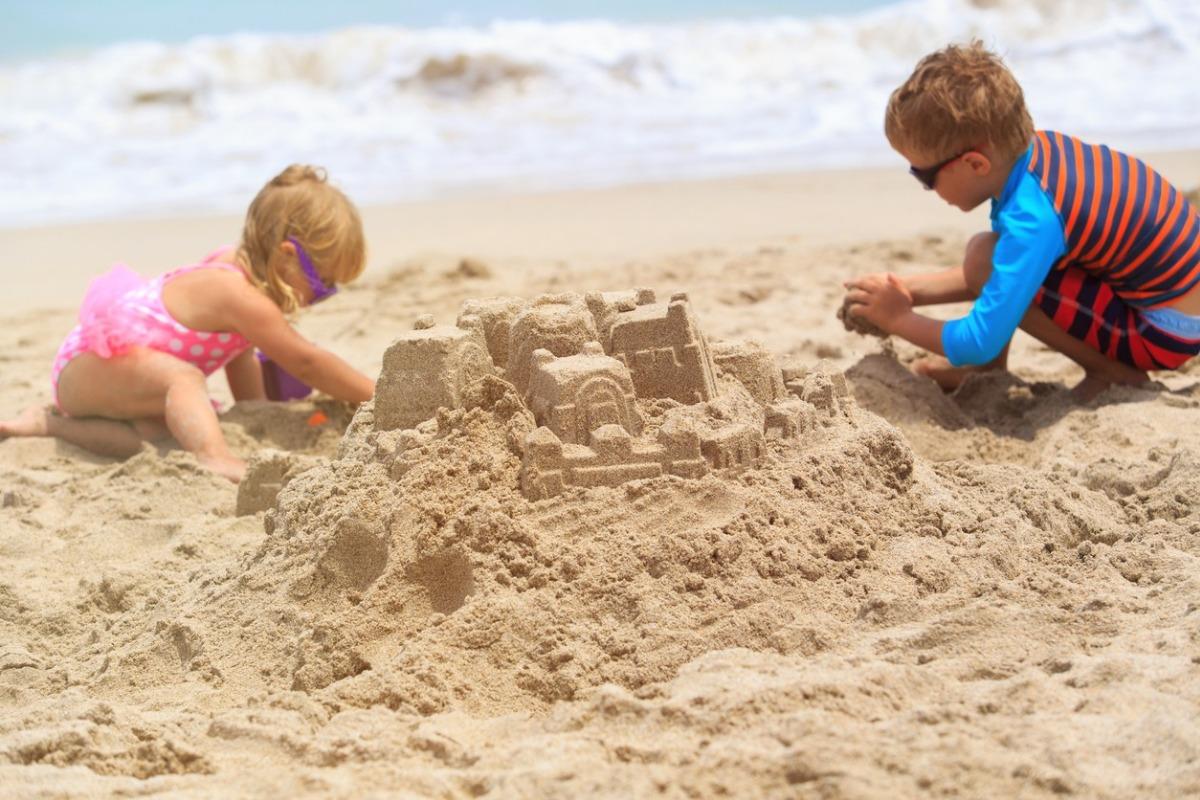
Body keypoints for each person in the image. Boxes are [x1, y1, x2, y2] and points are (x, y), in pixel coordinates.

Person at [843, 41, 1200, 401]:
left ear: (975, 165)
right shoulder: (1035, 159)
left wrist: (898, 319)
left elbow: (978, 340)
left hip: (1164, 332)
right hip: (1169, 300)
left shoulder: (1035, 217)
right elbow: (1002, 267)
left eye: (924, 176)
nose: (925, 188)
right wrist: (906, 291)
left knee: (986, 259)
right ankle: (988, 375)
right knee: (985, 253)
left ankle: (1112, 373)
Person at [0, 165, 375, 482]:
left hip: (108, 373)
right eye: (323, 287)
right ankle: (214, 458)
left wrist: (256, 408)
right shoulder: (239, 295)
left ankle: (49, 426)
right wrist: (377, 394)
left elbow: (239, 353)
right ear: (287, 256)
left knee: (164, 434)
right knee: (185, 380)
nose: (319, 299)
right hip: (88, 366)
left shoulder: (237, 269)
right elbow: (307, 362)